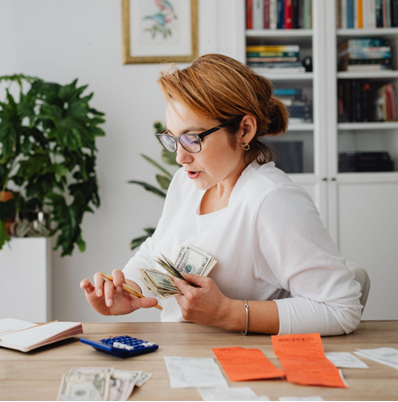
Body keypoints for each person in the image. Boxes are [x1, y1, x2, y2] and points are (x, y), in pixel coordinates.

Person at [80, 54, 363, 336]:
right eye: (172, 139)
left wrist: (228, 313)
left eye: (193, 139)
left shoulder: (272, 200)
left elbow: (340, 309)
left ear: (245, 130)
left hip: (239, 367)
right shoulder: (186, 184)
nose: (180, 157)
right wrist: (128, 288)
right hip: (178, 355)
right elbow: (156, 250)